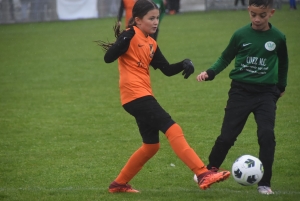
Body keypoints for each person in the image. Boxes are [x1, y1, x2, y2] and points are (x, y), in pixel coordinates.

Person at [97, 0, 230, 193]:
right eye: (151, 18)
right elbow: (108, 58)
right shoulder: (130, 35)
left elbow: (166, 69)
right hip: (136, 96)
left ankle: (119, 184)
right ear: (137, 20)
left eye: (157, 18)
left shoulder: (151, 42)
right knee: (173, 129)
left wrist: (184, 63)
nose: (155, 22)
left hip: (139, 97)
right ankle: (203, 173)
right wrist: (124, 39)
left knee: (151, 146)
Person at [196, 0, 288, 195]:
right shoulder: (240, 35)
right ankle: (209, 170)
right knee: (227, 136)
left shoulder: (278, 37)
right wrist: (210, 72)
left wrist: (281, 86)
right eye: (253, 14)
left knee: (266, 135)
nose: (257, 19)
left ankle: (265, 183)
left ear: (271, 13)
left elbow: (284, 62)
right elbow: (225, 57)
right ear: (248, 11)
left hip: (266, 93)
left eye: (262, 15)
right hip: (240, 92)